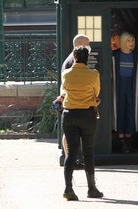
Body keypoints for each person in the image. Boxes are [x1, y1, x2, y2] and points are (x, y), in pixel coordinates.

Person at [61, 46, 103, 200]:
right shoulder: (93, 74)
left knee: (71, 153)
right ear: (88, 58)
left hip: (69, 114)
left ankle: (68, 189)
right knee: (88, 152)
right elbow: (96, 92)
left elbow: (65, 89)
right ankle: (91, 189)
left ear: (74, 57)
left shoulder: (66, 74)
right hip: (87, 115)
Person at [54, 34, 90, 168]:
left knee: (69, 133)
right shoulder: (72, 61)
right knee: (69, 134)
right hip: (71, 101)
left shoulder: (70, 59)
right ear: (80, 44)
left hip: (68, 100)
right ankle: (70, 158)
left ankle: (70, 157)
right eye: (87, 43)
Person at [112, 32, 138, 153]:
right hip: (118, 87)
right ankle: (121, 141)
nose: (131, 43)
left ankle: (129, 141)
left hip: (132, 86)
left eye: (132, 41)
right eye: (128, 41)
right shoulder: (115, 55)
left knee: (131, 112)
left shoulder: (136, 55)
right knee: (119, 111)